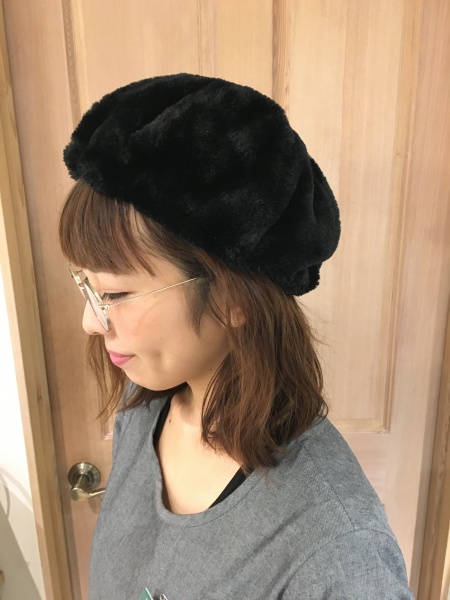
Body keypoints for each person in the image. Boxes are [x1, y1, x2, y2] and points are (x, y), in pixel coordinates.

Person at [60, 73, 415, 599]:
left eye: (112, 293)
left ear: (233, 299)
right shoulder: (142, 412)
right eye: (85, 286)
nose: (91, 322)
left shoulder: (337, 551)